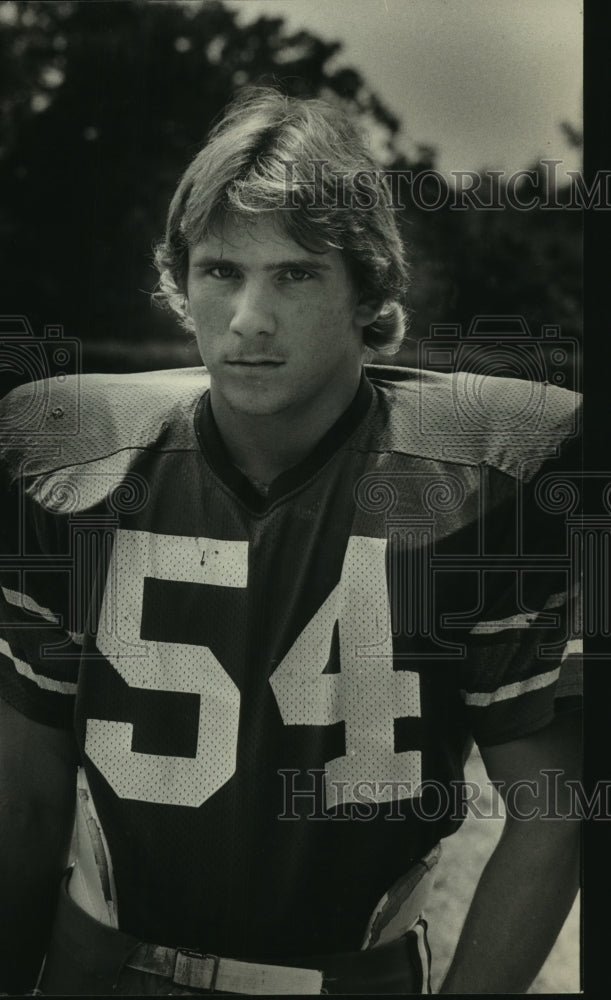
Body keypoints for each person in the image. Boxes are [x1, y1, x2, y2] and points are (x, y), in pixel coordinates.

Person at [0, 87, 582, 995]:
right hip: (98, 970)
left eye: (297, 274)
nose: (248, 320)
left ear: (370, 290)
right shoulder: (76, 460)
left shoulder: (480, 482)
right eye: (222, 271)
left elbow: (552, 810)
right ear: (179, 280)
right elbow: (26, 797)